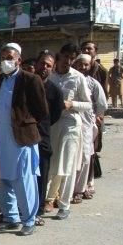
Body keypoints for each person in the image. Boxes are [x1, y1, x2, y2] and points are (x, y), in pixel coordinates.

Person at [0, 43, 48, 236]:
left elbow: (41, 110)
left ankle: (29, 219)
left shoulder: (30, 79)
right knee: (2, 179)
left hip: (21, 139)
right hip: (0, 138)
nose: (6, 61)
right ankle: (11, 217)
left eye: (10, 57)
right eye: (3, 57)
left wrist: (26, 124)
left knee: (24, 180)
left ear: (19, 60)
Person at [44, 49, 92, 221]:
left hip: (70, 124)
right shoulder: (50, 76)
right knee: (53, 164)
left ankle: (64, 205)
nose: (68, 62)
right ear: (58, 59)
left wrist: (71, 103)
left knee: (68, 165)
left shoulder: (78, 77)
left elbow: (88, 104)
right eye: (65, 58)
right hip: (52, 125)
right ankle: (49, 199)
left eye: (71, 59)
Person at [33, 51, 63, 225]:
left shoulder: (55, 91)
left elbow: (55, 115)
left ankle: (38, 210)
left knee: (41, 176)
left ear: (52, 69)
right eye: (42, 63)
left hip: (42, 139)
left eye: (48, 65)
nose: (44, 68)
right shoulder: (25, 85)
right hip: (23, 138)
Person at [72, 54, 107, 203]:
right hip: (71, 123)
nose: (82, 67)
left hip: (87, 124)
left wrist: (98, 118)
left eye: (85, 65)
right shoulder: (71, 79)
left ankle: (80, 189)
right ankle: (70, 189)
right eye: (79, 64)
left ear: (90, 66)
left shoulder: (93, 83)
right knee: (72, 157)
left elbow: (101, 105)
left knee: (86, 157)